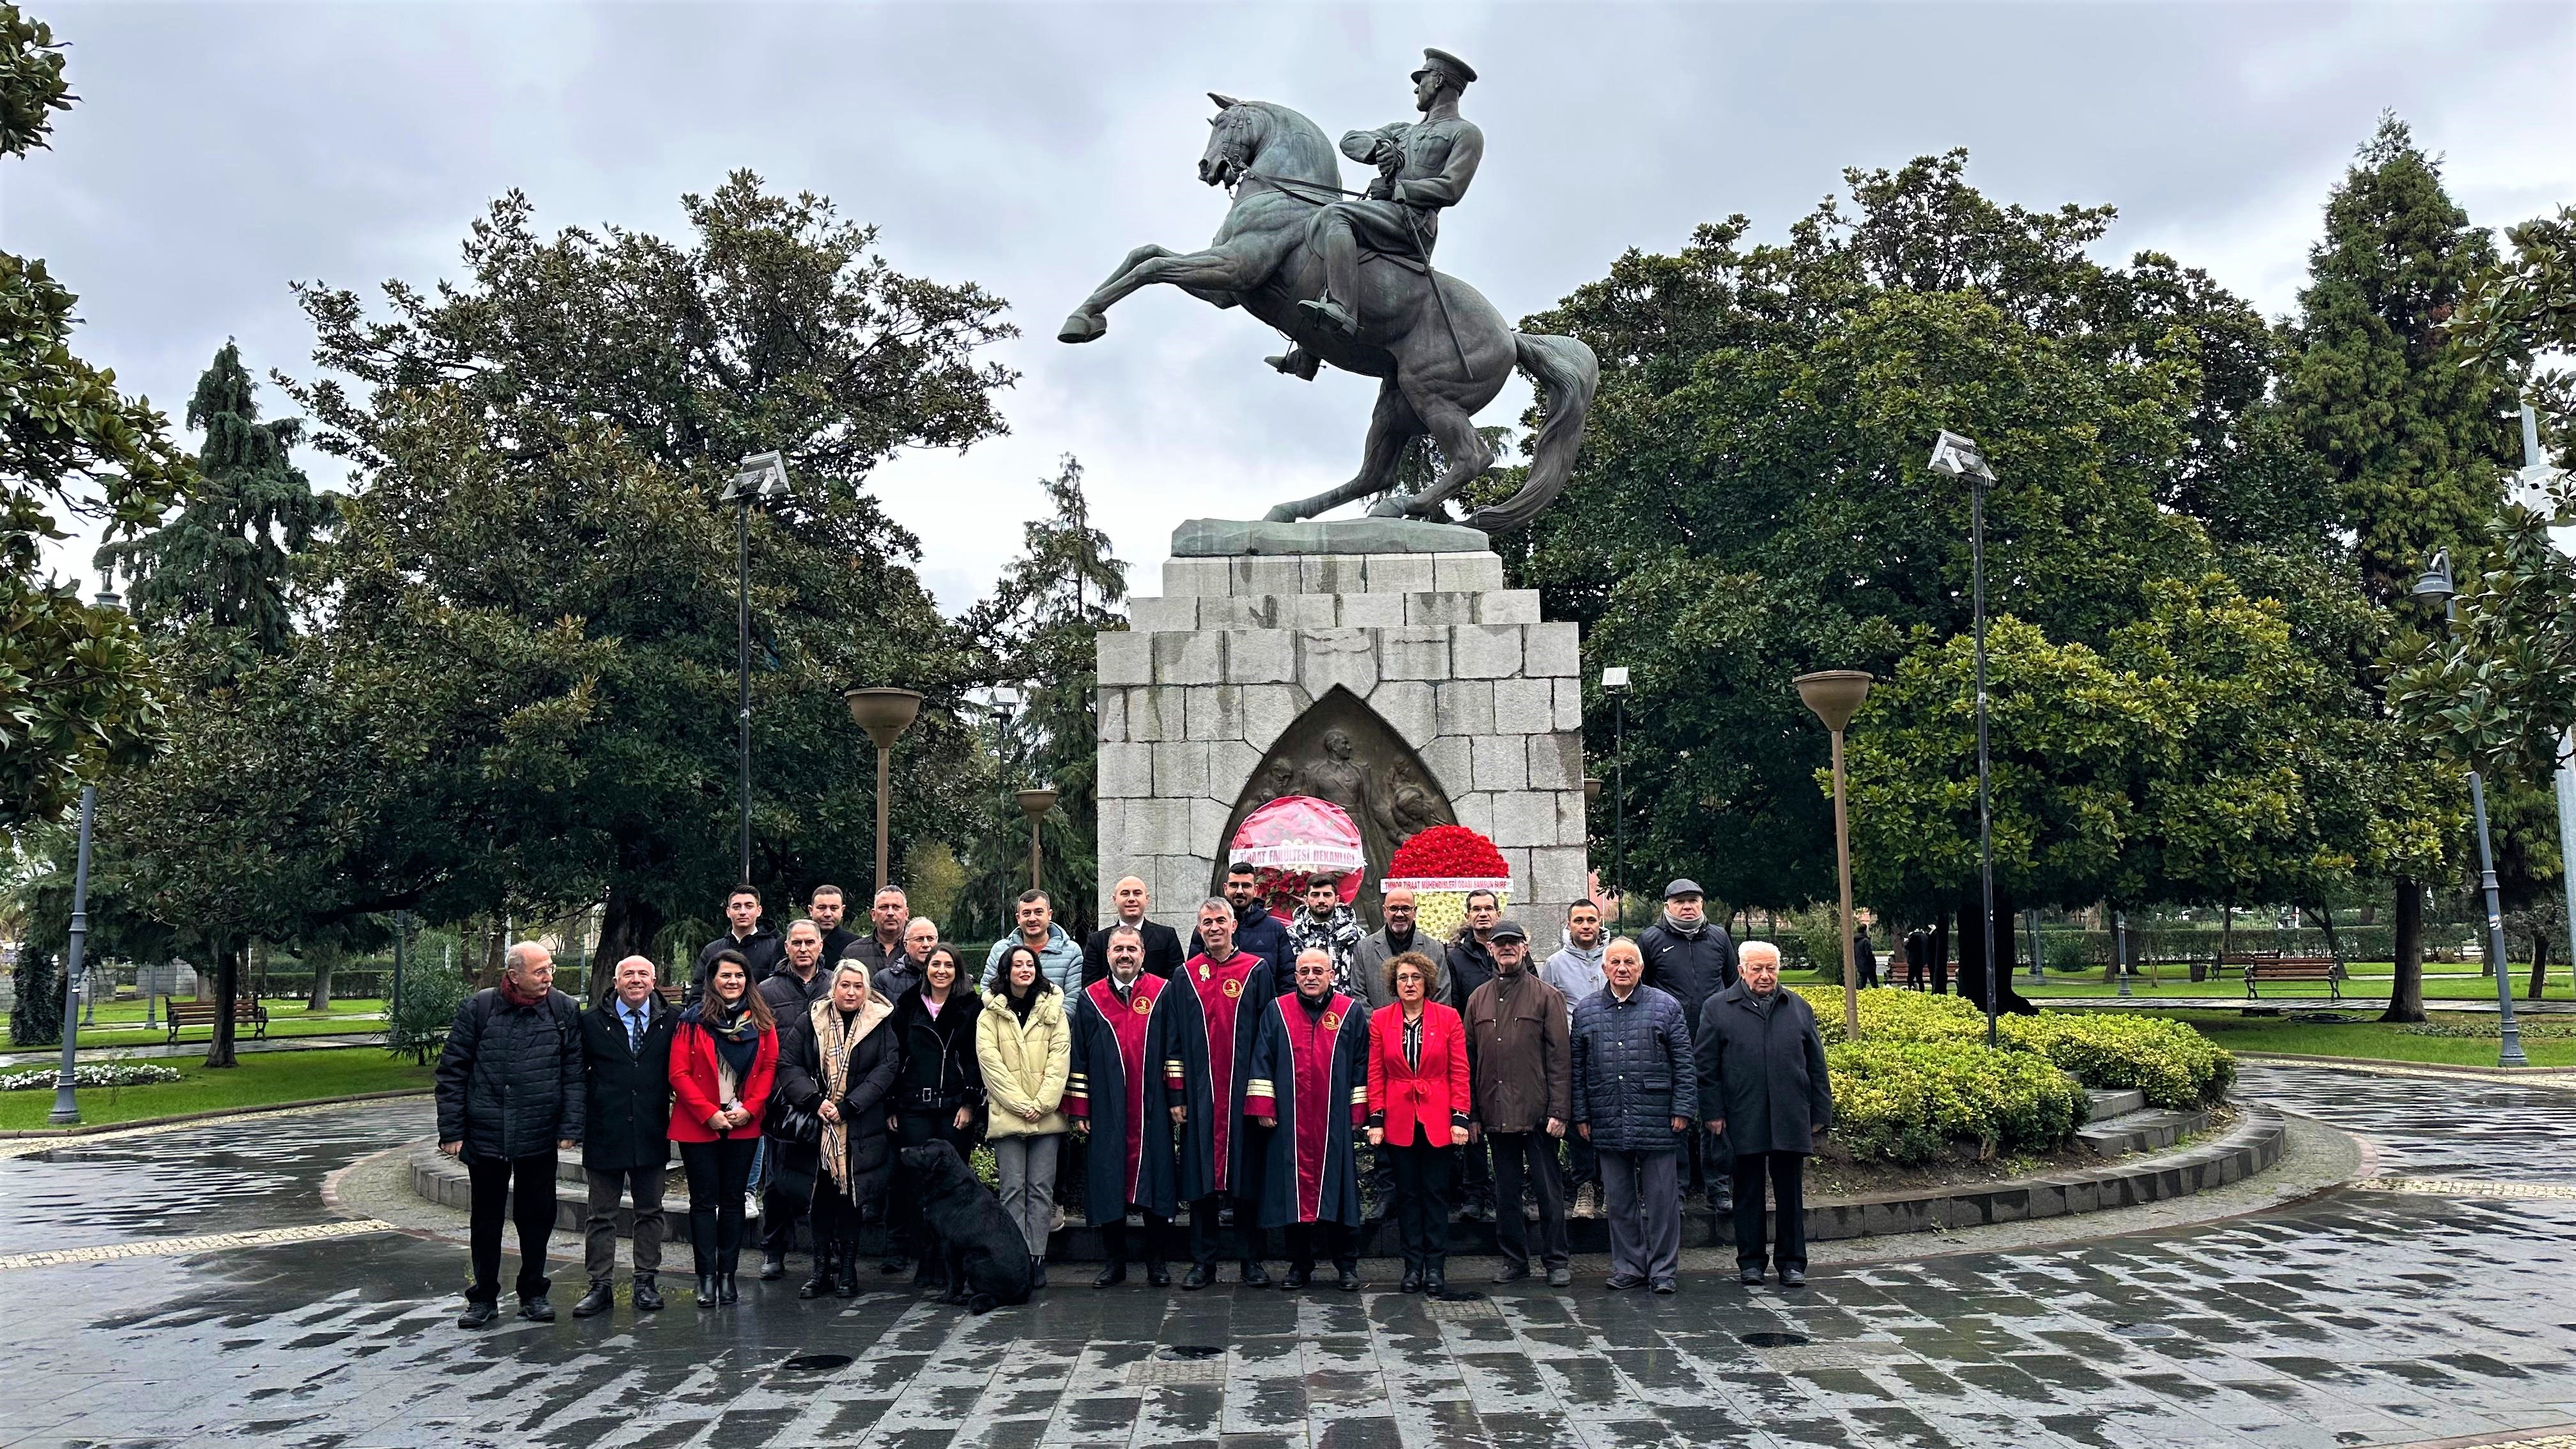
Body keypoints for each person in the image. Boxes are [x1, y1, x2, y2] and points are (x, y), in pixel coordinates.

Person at [437, 940, 585, 1328]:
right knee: (485, 1219)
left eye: (550, 968)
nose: (549, 976)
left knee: (537, 1217)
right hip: (486, 1133)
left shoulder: (564, 1009)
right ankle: (483, 1297)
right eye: (540, 971)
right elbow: (453, 1071)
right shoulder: (479, 1008)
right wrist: (452, 1131)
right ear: (513, 975)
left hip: (539, 1133)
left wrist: (570, 1126)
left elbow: (574, 1074)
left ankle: (534, 1293)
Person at [1298, 48, 1483, 341]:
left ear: (1437, 80)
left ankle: (1343, 311)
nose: (1416, 88)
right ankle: (1310, 350)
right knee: (1332, 243)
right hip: (1384, 215)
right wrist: (1378, 149)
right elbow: (1350, 139)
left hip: (1415, 222)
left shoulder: (1465, 133)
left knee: (1336, 214)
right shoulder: (1401, 131)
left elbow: (1452, 187)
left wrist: (1398, 189)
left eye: (1421, 80)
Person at [1697, 941, 1835, 1288]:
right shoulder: (1717, 1008)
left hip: (1790, 1112)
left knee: (1790, 1192)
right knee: (1747, 1191)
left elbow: (1816, 1064)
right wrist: (1712, 1112)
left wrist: (1821, 1110)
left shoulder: (1798, 1007)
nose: (1764, 975)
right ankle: (1751, 1262)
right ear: (1741, 970)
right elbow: (1706, 1067)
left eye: (1770, 968)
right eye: (1756, 969)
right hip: (1742, 1113)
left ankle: (1792, 1263)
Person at [1570, 937, 1696, 1295]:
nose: (1622, 968)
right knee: (1620, 1200)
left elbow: (1685, 1064)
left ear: (1641, 968)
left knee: (1662, 1202)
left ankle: (1663, 1271)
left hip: (1658, 1116)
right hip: (1607, 1114)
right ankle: (1629, 1267)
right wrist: (1581, 1113)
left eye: (1630, 963)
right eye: (1616, 963)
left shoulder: (1666, 1006)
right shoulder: (1587, 1010)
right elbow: (1577, 1069)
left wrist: (1683, 1108)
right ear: (1604, 968)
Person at [1066, 925, 1186, 1286]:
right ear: (1108, 955)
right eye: (1118, 948)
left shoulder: (1162, 993)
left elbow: (1174, 1051)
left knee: (1157, 1179)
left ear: (1143, 954)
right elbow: (1079, 1058)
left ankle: (1156, 1262)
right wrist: (1081, 1108)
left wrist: (1177, 1099)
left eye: (1132, 949)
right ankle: (1114, 1262)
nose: (1125, 955)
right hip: (1107, 1107)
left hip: (1152, 1106)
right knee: (1108, 1181)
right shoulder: (1091, 999)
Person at [1246, 947, 1372, 1291]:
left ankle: (1346, 1265)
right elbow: (1262, 1060)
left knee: (1341, 1192)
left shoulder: (1349, 1013)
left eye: (1319, 970)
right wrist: (1264, 1107)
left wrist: (1358, 1111)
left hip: (1334, 1124)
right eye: (1304, 971)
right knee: (1294, 1195)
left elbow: (1362, 1065)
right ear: (1295, 976)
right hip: (1290, 1121)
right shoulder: (1278, 1011)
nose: (1311, 977)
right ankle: (1299, 1265)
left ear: (1332, 974)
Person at [1170, 901, 1278, 1289]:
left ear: (1234, 925)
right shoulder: (1184, 976)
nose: (1214, 928)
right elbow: (1174, 1041)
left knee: (1247, 1178)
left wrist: (1265, 1095)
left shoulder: (1256, 971)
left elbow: (1270, 1036)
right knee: (1200, 1181)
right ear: (1198, 930)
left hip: (1242, 1095)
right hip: (1200, 1097)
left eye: (1220, 921)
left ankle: (1252, 1260)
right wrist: (1177, 1094)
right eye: (1206, 923)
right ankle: (1203, 1262)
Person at [774, 959, 897, 1300]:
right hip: (818, 1126)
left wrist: (848, 1107)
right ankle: (819, 1271)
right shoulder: (810, 1020)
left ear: (867, 990)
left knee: (850, 1200)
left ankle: (847, 1270)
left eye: (859, 986)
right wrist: (815, 1101)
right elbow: (789, 1063)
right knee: (821, 1198)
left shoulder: (880, 1024)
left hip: (857, 1126)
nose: (852, 992)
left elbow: (886, 1069)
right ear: (834, 987)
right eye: (846, 985)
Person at [1464, 920, 1572, 1287]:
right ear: (1490, 950)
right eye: (1500, 944)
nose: (1506, 949)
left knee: (1548, 1189)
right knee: (1506, 1191)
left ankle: (1556, 1260)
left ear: (1525, 948)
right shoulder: (1477, 998)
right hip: (1494, 1112)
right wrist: (1473, 1114)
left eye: (1513, 943)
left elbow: (1560, 1058)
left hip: (1538, 1112)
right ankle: (1514, 1260)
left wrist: (1560, 1110)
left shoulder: (1547, 996)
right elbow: (1469, 1059)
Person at [668, 949, 778, 1308]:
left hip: (744, 1123)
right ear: (712, 981)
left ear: (748, 979)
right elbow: (679, 1074)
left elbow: (768, 1067)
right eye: (725, 976)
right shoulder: (691, 1021)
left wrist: (750, 1109)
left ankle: (728, 1276)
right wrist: (707, 1113)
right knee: (702, 1202)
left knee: (733, 1201)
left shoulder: (762, 1021)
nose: (733, 982)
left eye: (739, 976)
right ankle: (706, 1278)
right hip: (699, 1125)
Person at [573, 954, 675, 1319]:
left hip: (651, 1131)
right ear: (616, 982)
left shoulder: (672, 1022)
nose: (636, 980)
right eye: (628, 974)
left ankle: (646, 1281)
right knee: (601, 1214)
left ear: (654, 980)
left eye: (643, 974)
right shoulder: (589, 1023)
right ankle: (599, 1285)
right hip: (605, 1131)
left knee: (650, 1211)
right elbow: (575, 1077)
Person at [1365, 950, 1468, 1294]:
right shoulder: (1381, 1019)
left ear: (1428, 982)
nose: (1409, 984)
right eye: (1403, 978)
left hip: (1439, 1120)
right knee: (1407, 1196)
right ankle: (1412, 1268)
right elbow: (1376, 1072)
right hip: (1398, 1121)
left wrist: (1460, 1118)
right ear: (1394, 985)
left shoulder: (1449, 1017)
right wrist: (1376, 1119)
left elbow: (1460, 1071)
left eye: (1416, 978)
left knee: (1436, 1195)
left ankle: (1436, 1268)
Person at [1637, 879, 1739, 1212]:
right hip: (1668, 1042)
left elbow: (1731, 983)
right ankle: (1677, 1189)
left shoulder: (1720, 938)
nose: (1687, 907)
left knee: (1715, 1113)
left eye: (1693, 900)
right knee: (1676, 1116)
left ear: (1702, 903)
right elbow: (1643, 989)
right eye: (1680, 901)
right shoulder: (1651, 940)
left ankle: (1718, 1185)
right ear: (1666, 906)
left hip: (1714, 1041)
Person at [887, 944, 985, 1283]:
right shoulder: (908, 1005)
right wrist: (892, 1104)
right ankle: (925, 1259)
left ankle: (949, 1262)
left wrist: (971, 1102)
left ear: (957, 970)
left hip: (954, 1109)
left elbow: (976, 1059)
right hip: (914, 1108)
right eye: (935, 964)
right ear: (926, 969)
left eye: (948, 965)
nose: (941, 970)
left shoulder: (971, 1008)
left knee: (953, 1188)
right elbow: (894, 1056)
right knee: (916, 1187)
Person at [1353, 884, 1452, 1220]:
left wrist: (1421, 1026)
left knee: (1423, 1125)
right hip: (1380, 1045)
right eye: (1393, 908)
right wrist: (1386, 1028)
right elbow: (1358, 995)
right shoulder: (1366, 949)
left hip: (1427, 1049)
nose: (1399, 914)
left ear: (1415, 911)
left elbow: (1441, 995)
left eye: (1405, 908)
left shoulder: (1434, 949)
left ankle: (1427, 1191)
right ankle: (1387, 1192)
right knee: (1383, 1118)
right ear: (1384, 911)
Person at [978, 942, 1070, 1289]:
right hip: (1008, 1115)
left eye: (1029, 964)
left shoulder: (1053, 1010)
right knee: (1013, 1189)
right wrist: (1021, 1105)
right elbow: (990, 1065)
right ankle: (1013, 1258)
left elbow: (1059, 1060)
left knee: (1040, 1190)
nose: (1024, 970)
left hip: (1046, 1117)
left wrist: (1042, 1104)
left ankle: (1037, 1258)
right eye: (1017, 964)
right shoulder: (989, 1014)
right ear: (1007, 971)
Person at [754, 918, 835, 1280]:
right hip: (782, 1101)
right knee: (777, 1181)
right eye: (796, 943)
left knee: (829, 1179)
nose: (803, 949)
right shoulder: (767, 990)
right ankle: (774, 1250)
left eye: (810, 942)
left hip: (828, 1099)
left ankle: (828, 1250)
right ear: (786, 947)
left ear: (821, 946)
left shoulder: (837, 983)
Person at [1542, 900, 1608, 1220]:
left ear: (1600, 922)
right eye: (1579, 920)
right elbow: (1549, 1010)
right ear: (1569, 924)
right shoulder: (1555, 963)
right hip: (1573, 1055)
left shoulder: (1615, 958)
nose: (1585, 925)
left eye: (1591, 920)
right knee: (1579, 1119)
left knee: (1609, 1119)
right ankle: (1585, 1187)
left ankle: (1612, 1184)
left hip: (1611, 1053)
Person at [1445, 887, 1502, 1220]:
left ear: (1497, 913)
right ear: (1468, 916)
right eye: (1476, 909)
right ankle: (1475, 1195)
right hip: (1472, 1050)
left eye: (1489, 908)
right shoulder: (1455, 958)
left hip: (1508, 1051)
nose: (1483, 914)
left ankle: (1507, 1191)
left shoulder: (1512, 950)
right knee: (1473, 1124)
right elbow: (1452, 1003)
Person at [1084, 875, 1184, 985]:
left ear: (1147, 899)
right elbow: (1090, 989)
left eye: (1137, 893)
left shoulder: (1167, 937)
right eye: (1125, 894)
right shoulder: (1097, 941)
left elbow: (1177, 984)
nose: (1131, 899)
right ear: (1115, 900)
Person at [1194, 864, 1291, 976]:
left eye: (1246, 886)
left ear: (1255, 890)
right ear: (1226, 889)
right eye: (1234, 885)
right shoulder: (1207, 929)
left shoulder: (1275, 929)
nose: (1240, 891)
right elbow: (1194, 975)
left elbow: (1287, 976)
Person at [694, 884, 783, 1000]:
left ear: (759, 911)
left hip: (761, 1015)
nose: (742, 912)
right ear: (728, 912)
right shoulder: (712, 951)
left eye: (749, 906)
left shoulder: (775, 948)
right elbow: (698, 992)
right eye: (736, 907)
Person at [988, 889, 1084, 995]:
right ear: (1018, 918)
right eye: (1026, 913)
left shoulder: (1071, 951)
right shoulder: (1000, 950)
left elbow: (1073, 997)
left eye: (1038, 912)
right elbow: (988, 990)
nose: (1032, 919)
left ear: (1049, 914)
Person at [1287, 873, 1365, 999]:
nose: (1321, 900)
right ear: (1306, 900)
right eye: (1315, 895)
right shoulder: (1291, 936)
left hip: (1348, 1009)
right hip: (1302, 1008)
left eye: (1327, 895)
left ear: (1337, 899)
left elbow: (1365, 979)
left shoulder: (1356, 935)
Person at [844, 885, 910, 976]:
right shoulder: (853, 953)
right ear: (873, 915)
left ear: (906, 914)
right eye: (884, 907)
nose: (890, 913)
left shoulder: (919, 951)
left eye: (896, 907)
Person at [873, 916, 939, 1004]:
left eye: (930, 939)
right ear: (906, 945)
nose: (926, 944)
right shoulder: (884, 980)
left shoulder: (952, 977)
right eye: (919, 939)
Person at [809, 884, 861, 970]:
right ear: (811, 910)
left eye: (834, 908)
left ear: (842, 911)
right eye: (822, 908)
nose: (828, 914)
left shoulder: (857, 946)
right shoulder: (789, 943)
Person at [1851, 924, 1880, 990]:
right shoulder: (1866, 941)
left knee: (1862, 982)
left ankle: (1861, 994)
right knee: (1874, 982)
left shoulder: (1855, 941)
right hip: (1868, 965)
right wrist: (1873, 961)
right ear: (1865, 931)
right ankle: (1877, 994)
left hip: (1859, 964)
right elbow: (1868, 953)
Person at [1903, 924, 1931, 992]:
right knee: (1919, 978)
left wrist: (1907, 942)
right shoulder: (1925, 936)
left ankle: (1911, 990)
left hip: (1914, 960)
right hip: (1921, 961)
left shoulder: (1914, 936)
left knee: (1910, 978)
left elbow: (1908, 947)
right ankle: (1922, 991)